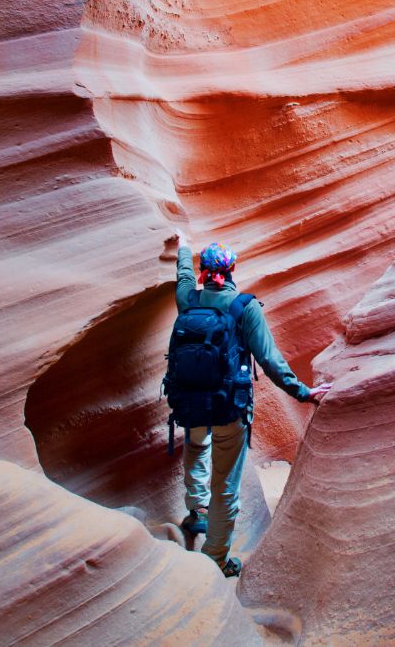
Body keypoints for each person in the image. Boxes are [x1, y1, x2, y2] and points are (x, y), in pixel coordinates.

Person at [172, 232, 330, 577]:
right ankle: (216, 558)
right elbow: (270, 361)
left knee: (196, 448)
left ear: (204, 271)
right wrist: (303, 392)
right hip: (229, 406)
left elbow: (183, 275)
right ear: (231, 271)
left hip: (191, 401)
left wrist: (184, 248)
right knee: (225, 482)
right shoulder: (244, 308)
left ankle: (196, 512)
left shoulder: (188, 298)